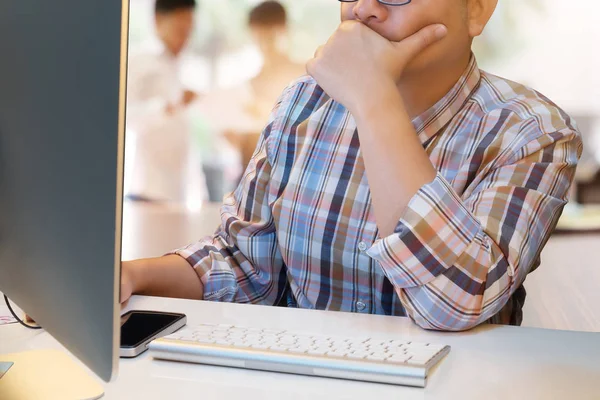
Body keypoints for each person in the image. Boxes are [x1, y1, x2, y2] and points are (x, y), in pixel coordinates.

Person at [121, 0, 582, 332]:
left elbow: (454, 304)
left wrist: (372, 98)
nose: (364, 10)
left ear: (477, 9)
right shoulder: (302, 105)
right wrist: (133, 275)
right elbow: (244, 265)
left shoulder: (532, 132)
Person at [198, 1, 305, 174]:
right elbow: (249, 146)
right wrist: (235, 137)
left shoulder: (304, 78)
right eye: (259, 37)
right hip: (252, 178)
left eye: (269, 36)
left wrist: (266, 112)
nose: (264, 44)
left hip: (288, 178)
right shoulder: (249, 85)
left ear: (283, 31)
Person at [126, 0, 206, 206]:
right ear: (158, 21)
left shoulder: (182, 67)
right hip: (147, 190)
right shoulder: (140, 62)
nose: (184, 39)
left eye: (189, 31)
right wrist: (167, 107)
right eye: (180, 30)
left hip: (179, 195)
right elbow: (125, 115)